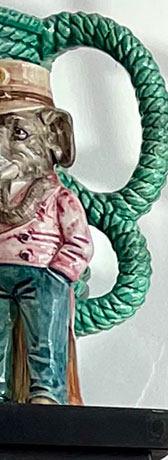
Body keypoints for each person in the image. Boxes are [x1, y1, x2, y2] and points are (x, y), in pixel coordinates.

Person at [0, 60, 89, 405]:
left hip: (44, 276)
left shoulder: (57, 197)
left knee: (45, 339)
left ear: (53, 139)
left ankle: (46, 392)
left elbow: (78, 241)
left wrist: (59, 272)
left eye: (18, 133)